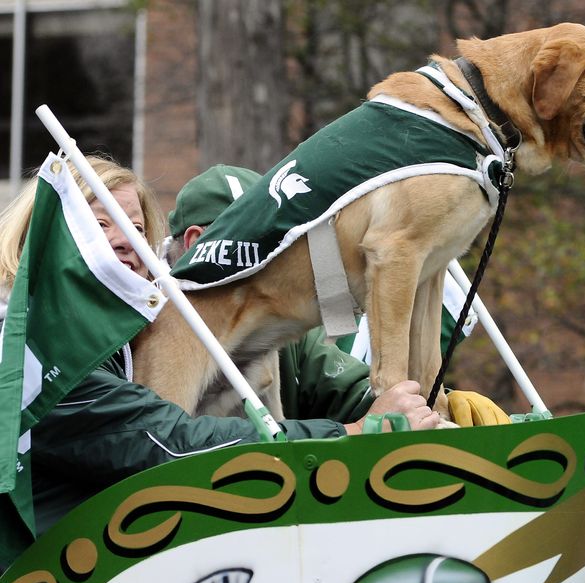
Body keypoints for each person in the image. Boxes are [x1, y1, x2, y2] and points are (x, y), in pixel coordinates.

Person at [0, 155, 440, 559]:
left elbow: (340, 386)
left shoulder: (130, 333)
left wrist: (433, 405)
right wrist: (351, 433)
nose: (124, 241)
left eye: (135, 227)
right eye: (100, 224)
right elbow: (168, 444)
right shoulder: (34, 351)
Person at [164, 164, 511, 428]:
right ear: (200, 245)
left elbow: (349, 389)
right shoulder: (147, 333)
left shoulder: (284, 330)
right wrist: (353, 432)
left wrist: (432, 407)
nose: (277, 258)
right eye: (258, 243)